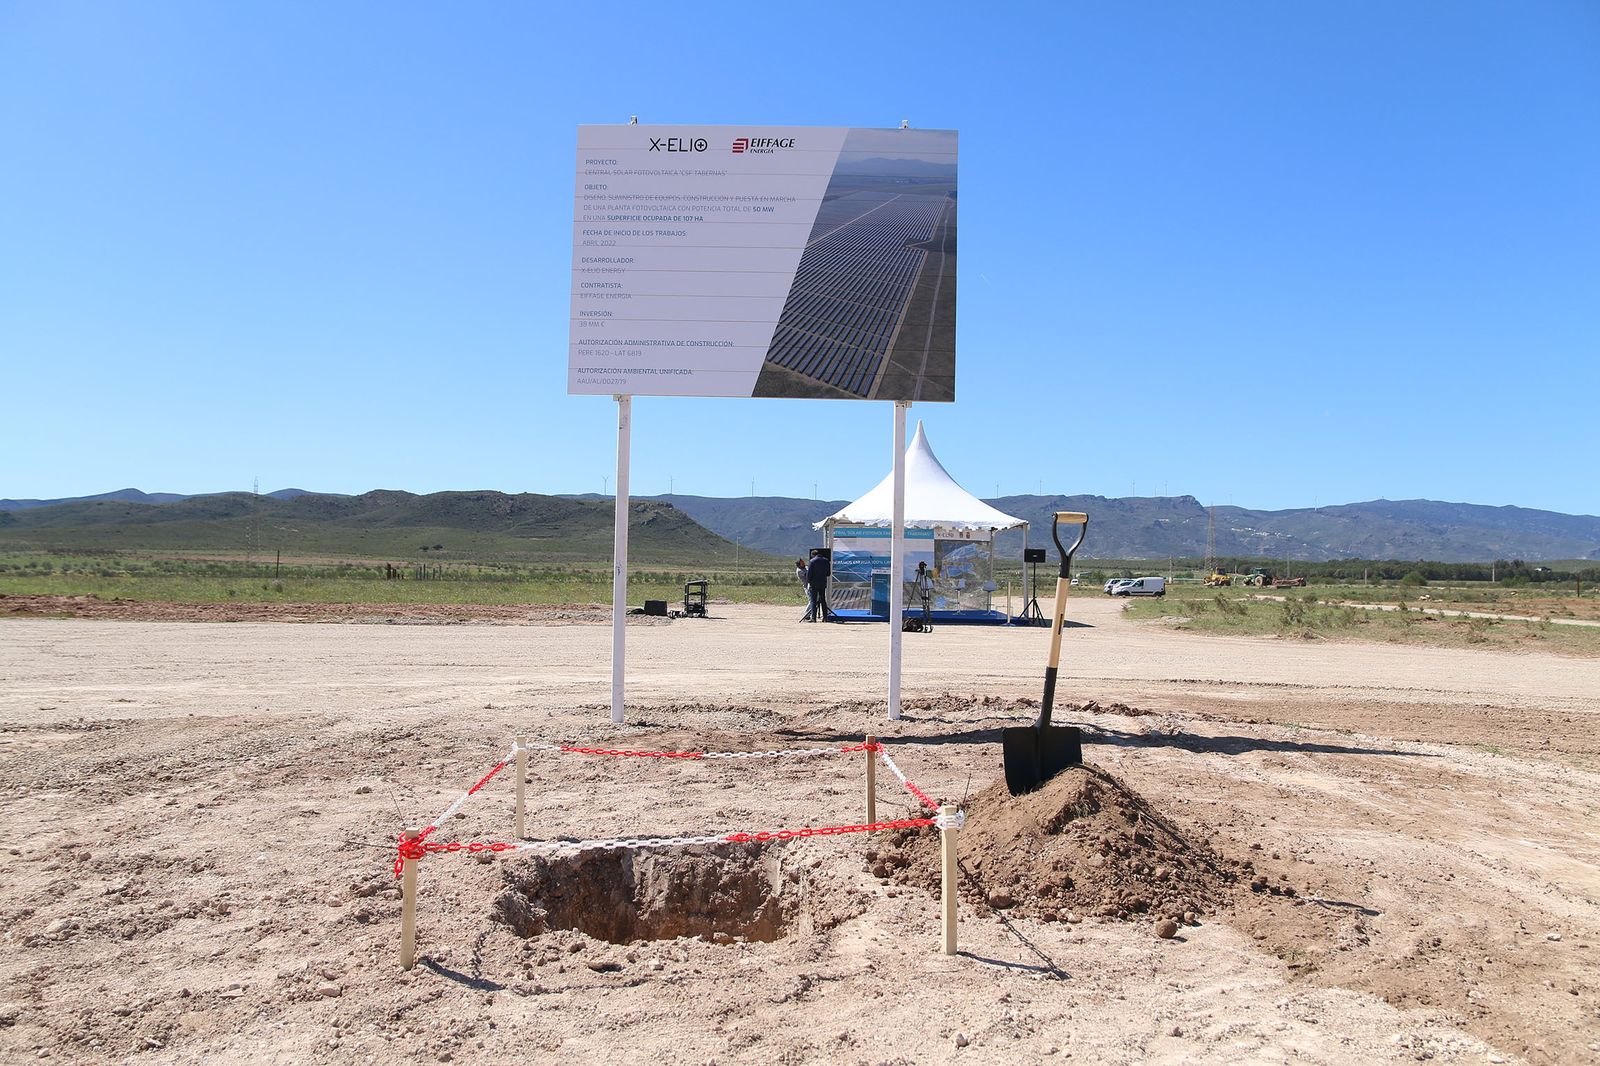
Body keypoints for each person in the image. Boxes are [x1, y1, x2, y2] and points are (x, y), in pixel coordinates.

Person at [803, 549, 833, 622]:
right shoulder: (826, 561)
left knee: (813, 601)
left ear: (813, 555)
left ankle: (813, 618)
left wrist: (808, 582)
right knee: (823, 600)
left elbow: (809, 574)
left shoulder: (812, 561)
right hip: (822, 583)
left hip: (814, 584)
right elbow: (828, 573)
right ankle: (825, 618)